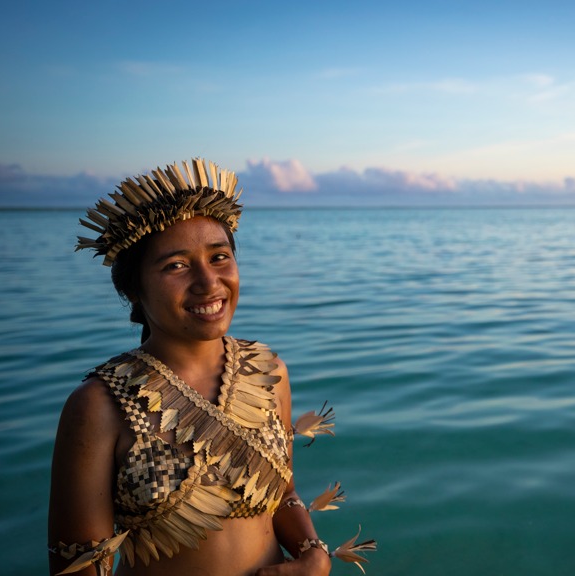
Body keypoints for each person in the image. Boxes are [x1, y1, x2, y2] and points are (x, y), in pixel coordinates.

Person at [48, 159, 374, 576]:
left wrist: (313, 554)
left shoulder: (268, 371)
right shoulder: (99, 405)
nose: (208, 282)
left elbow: (282, 492)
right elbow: (78, 564)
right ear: (133, 288)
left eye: (219, 257)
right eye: (177, 265)